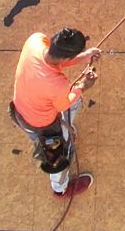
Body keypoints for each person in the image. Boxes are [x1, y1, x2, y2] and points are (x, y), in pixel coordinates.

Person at [11, 26, 96, 199]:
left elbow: (55, 59)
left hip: (20, 108)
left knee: (72, 106)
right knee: (58, 159)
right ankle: (61, 189)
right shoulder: (57, 85)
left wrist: (82, 58)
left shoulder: (35, 40)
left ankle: (67, 132)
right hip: (44, 127)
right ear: (67, 56)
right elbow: (63, 103)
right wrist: (83, 86)